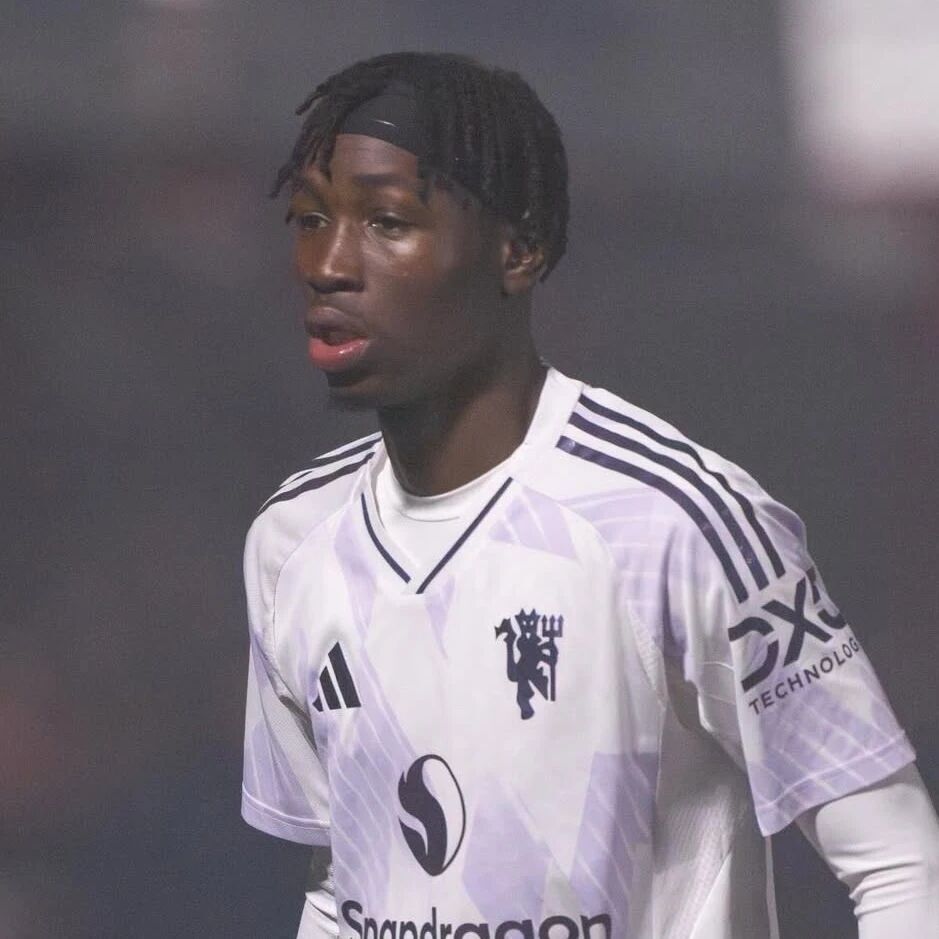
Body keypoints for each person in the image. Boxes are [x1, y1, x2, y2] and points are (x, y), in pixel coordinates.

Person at [241, 52, 939, 938]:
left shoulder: (676, 521)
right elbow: (346, 877)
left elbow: (899, 862)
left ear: (517, 249)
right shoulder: (293, 539)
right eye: (310, 218)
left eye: (386, 221)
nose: (329, 264)